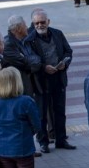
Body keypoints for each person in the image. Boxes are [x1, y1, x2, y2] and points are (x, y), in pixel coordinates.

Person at [28, 9, 75, 152]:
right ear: (33, 23)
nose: (40, 25)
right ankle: (43, 142)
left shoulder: (58, 33)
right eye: (37, 23)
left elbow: (68, 51)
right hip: (41, 81)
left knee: (59, 111)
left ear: (48, 22)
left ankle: (61, 139)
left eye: (42, 22)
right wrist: (44, 67)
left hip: (58, 78)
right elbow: (30, 60)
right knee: (41, 114)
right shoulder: (30, 39)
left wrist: (64, 64)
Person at [2, 15, 42, 100]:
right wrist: (31, 60)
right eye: (25, 25)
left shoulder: (25, 40)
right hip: (20, 88)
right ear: (19, 29)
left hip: (30, 84)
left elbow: (37, 59)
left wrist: (31, 60)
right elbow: (24, 63)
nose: (27, 27)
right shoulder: (8, 44)